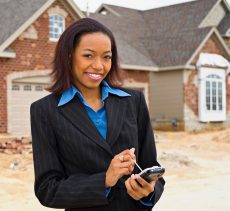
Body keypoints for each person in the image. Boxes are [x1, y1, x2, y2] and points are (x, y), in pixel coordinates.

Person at [30, 18, 165, 210]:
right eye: (88, 55)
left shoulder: (133, 101)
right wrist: (104, 180)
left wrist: (148, 191)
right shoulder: (45, 111)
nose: (99, 66)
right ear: (69, 56)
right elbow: (47, 189)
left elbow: (152, 168)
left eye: (106, 57)